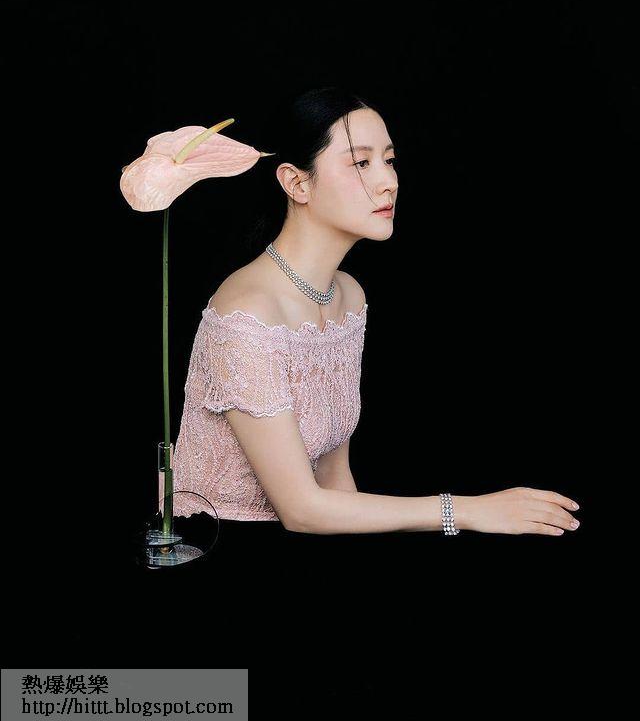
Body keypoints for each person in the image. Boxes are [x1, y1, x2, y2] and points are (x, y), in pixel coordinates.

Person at [172, 86, 581, 537]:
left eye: (389, 159)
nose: (389, 181)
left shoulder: (347, 297)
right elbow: (302, 510)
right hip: (211, 543)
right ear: (296, 183)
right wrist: (463, 511)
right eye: (361, 163)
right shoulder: (247, 315)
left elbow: (335, 480)